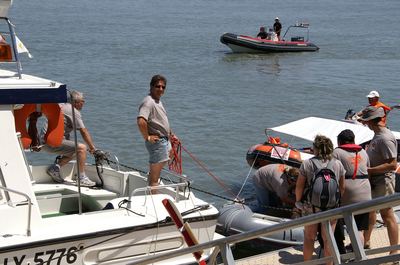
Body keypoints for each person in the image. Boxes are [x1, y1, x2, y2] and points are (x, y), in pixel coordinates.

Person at [295, 135, 345, 264]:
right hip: (332, 207)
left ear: (315, 148)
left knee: (309, 238)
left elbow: (299, 186)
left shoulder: (307, 163)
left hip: (311, 207)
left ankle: (307, 263)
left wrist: (298, 202)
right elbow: (342, 188)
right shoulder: (338, 164)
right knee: (328, 239)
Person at [358, 106, 398, 253]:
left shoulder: (385, 138)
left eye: (366, 122)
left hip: (383, 181)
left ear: (371, 122)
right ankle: (366, 241)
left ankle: (394, 251)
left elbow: (392, 165)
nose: (365, 124)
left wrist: (370, 170)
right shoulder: (378, 134)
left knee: (387, 214)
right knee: (370, 212)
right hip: (375, 180)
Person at [43, 90, 97, 187]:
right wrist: (92, 148)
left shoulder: (63, 106)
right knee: (82, 148)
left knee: (75, 151)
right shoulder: (73, 111)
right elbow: (83, 131)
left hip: (43, 142)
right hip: (51, 142)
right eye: (82, 101)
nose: (83, 104)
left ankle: (55, 168)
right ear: (76, 102)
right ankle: (81, 178)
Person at [332, 129, 371, 252]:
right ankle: (358, 253)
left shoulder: (337, 152)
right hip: (365, 191)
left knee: (348, 225)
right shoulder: (363, 152)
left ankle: (347, 251)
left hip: (348, 191)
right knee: (359, 228)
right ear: (354, 140)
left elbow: (332, 172)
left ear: (339, 141)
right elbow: (368, 170)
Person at [137, 74, 175, 187]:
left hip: (164, 139)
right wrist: (147, 137)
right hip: (158, 142)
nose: (161, 89)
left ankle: (153, 174)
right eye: (158, 86)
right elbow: (141, 121)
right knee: (154, 180)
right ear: (151, 87)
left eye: (163, 87)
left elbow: (159, 120)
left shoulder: (157, 101)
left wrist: (171, 134)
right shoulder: (149, 102)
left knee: (169, 158)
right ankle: (153, 197)